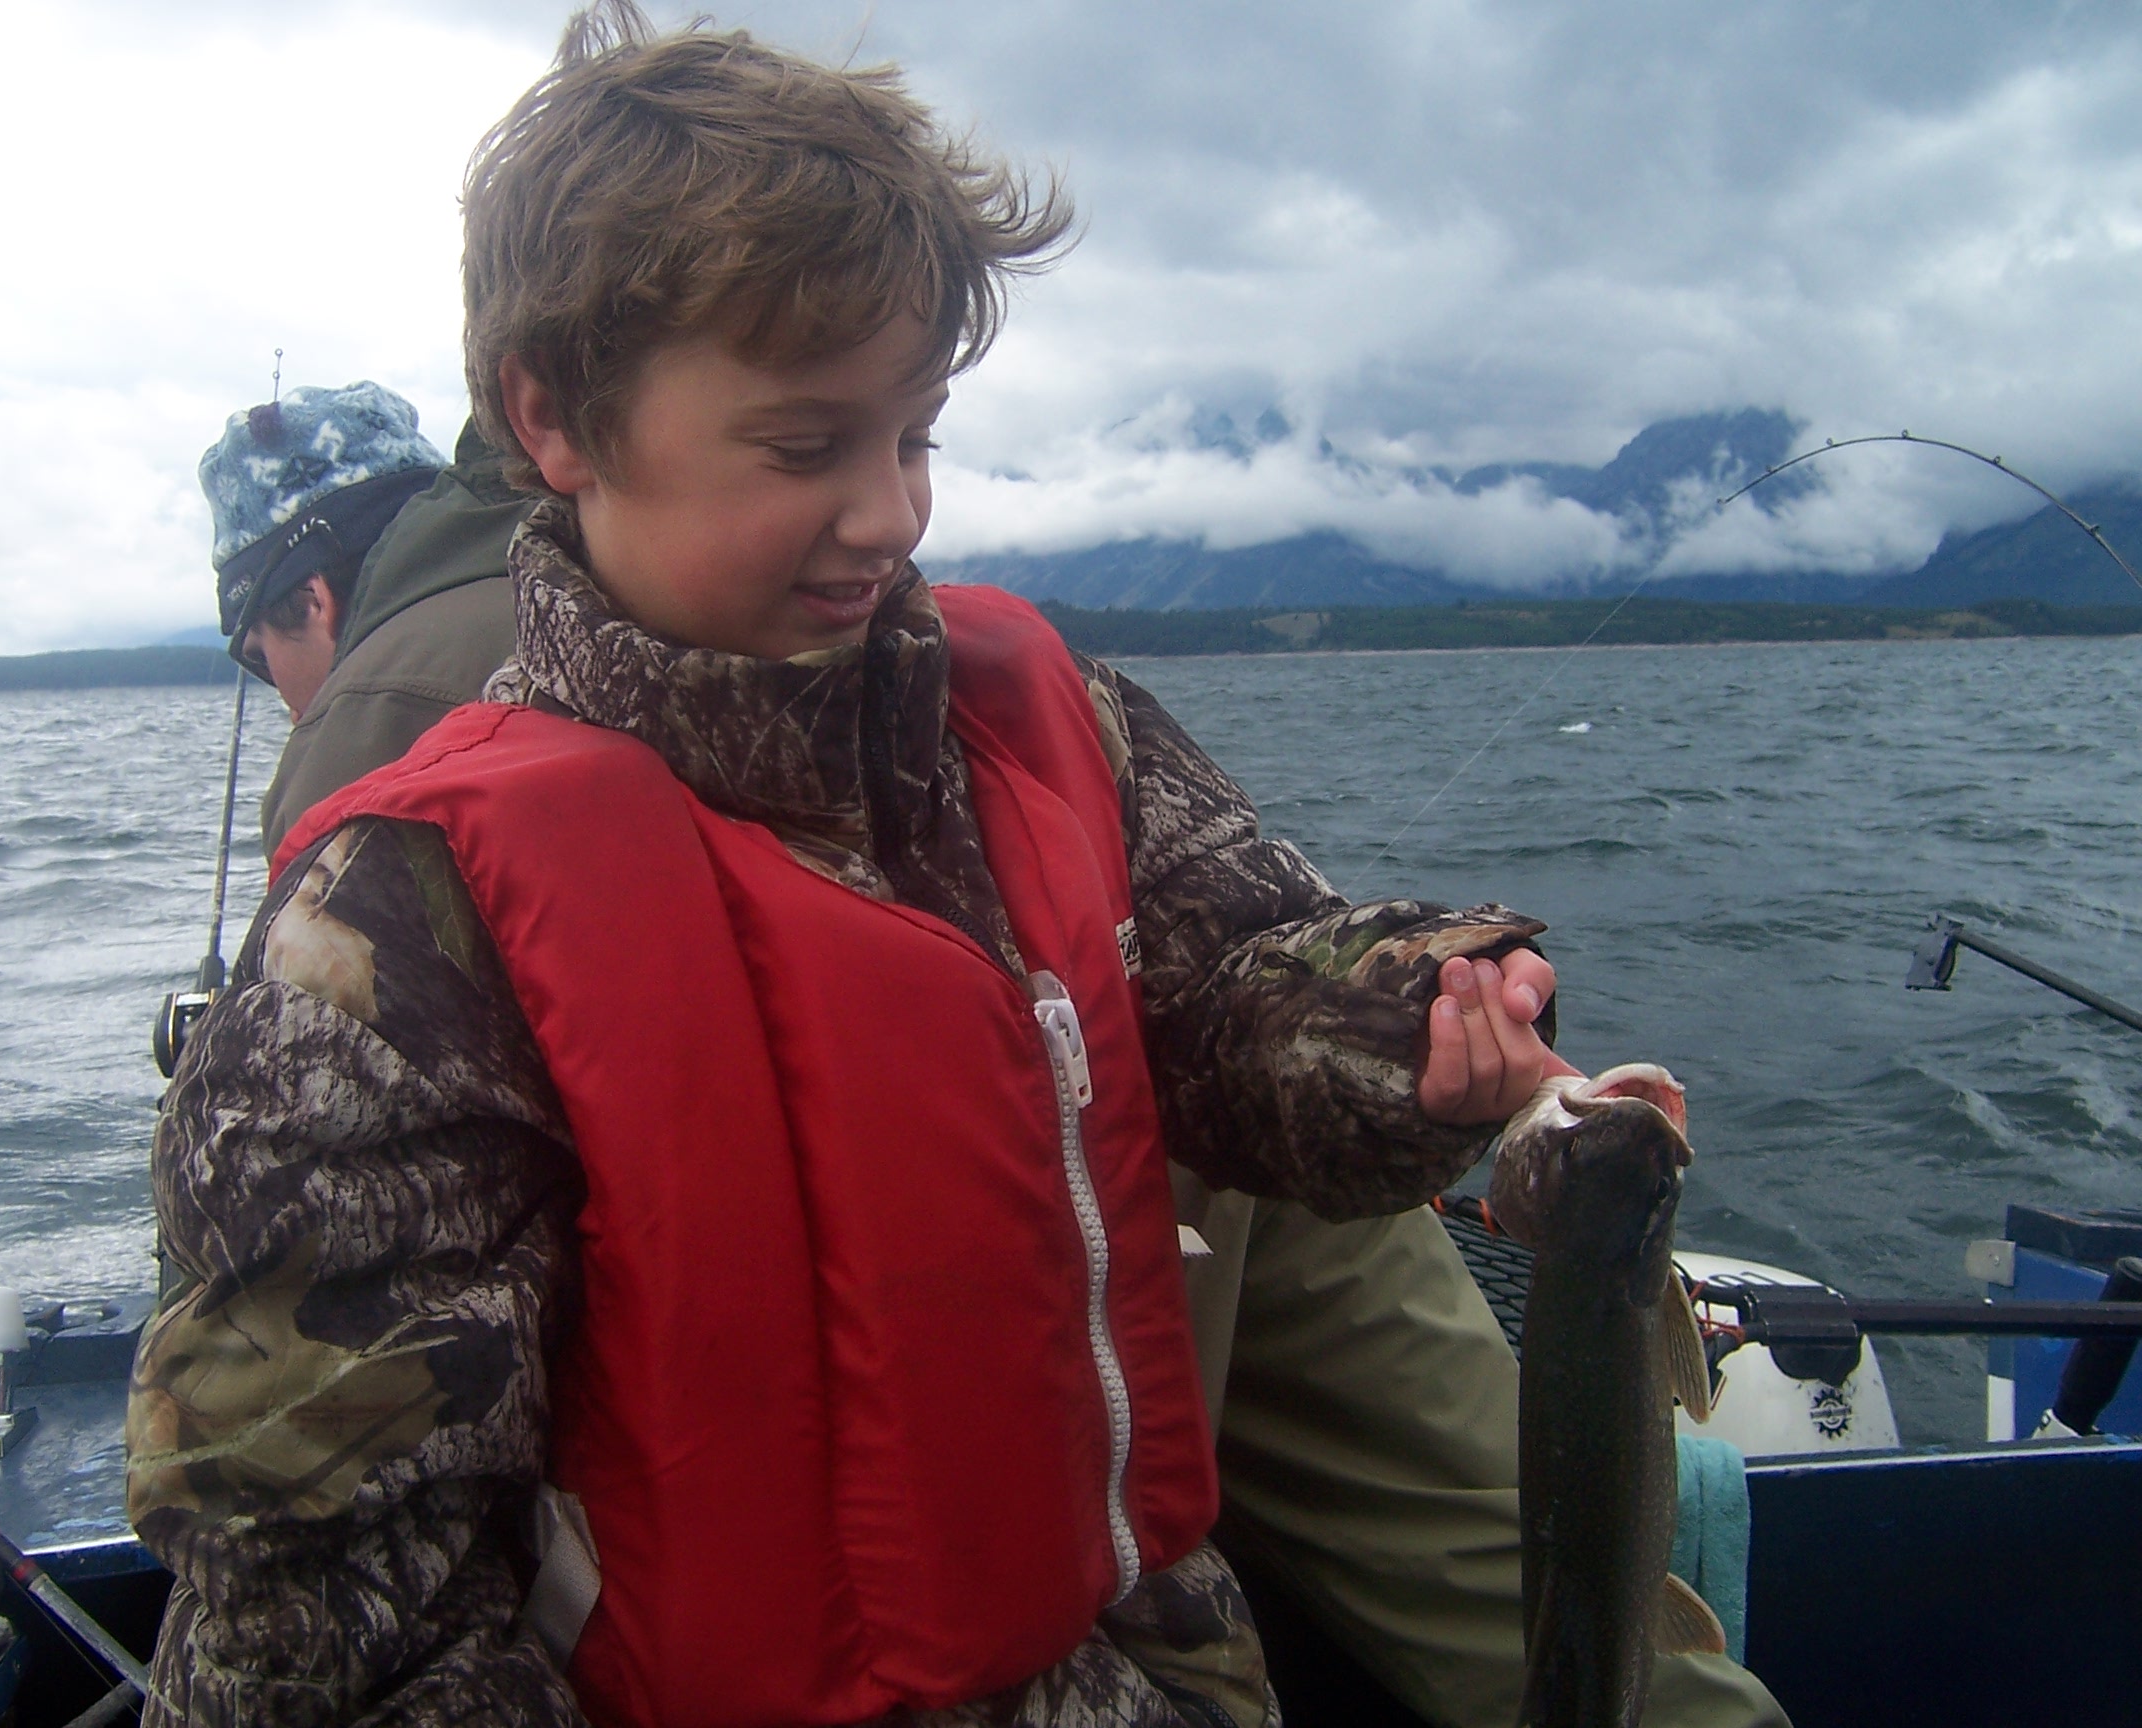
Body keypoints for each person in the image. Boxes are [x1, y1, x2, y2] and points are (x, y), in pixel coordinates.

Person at [128, 10, 1783, 1728]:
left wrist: (1410, 1020)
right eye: (805, 446)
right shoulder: (394, 939)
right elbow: (332, 1631)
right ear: (554, 417)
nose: (890, 511)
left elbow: (1227, 992)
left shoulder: (1035, 714)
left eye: (912, 433)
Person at [197, 385, 532, 857]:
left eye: (260, 657)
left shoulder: (347, 751)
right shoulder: (582, 579)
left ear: (313, 600)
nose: (285, 702)